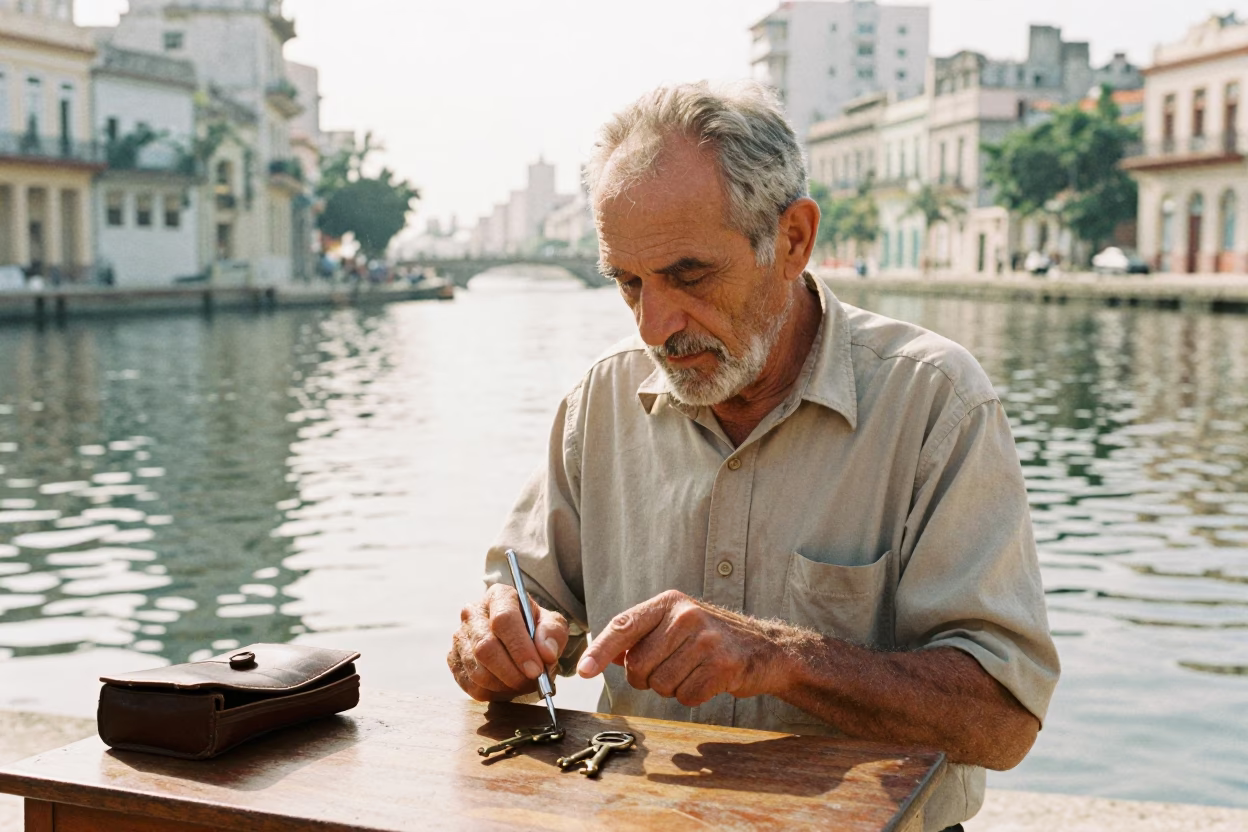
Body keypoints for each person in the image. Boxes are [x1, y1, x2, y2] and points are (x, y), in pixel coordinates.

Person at [447, 81, 1058, 832]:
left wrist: (781, 658)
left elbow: (1004, 721)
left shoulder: (934, 404)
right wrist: (496, 642)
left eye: (689, 276)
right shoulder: (600, 400)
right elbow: (515, 606)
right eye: (628, 283)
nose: (654, 325)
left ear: (794, 238)